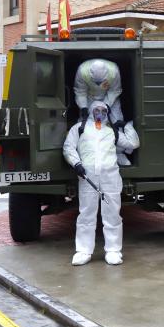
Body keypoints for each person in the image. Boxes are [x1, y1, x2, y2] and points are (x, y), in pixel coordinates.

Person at [63, 101, 139, 266]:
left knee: (112, 214)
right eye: (97, 110)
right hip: (87, 178)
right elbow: (68, 147)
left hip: (110, 177)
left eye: (103, 110)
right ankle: (83, 250)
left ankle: (113, 250)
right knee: (86, 214)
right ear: (91, 111)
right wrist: (76, 164)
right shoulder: (80, 128)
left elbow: (133, 144)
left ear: (107, 112)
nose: (100, 113)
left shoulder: (112, 131)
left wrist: (127, 126)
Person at [74, 58, 134, 165]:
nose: (98, 83)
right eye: (96, 81)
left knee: (116, 122)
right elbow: (80, 91)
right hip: (89, 98)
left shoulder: (114, 70)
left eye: (100, 81)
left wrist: (106, 105)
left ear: (106, 75)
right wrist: (83, 107)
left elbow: (115, 90)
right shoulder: (82, 71)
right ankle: (86, 153)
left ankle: (119, 153)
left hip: (110, 97)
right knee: (86, 124)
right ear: (90, 74)